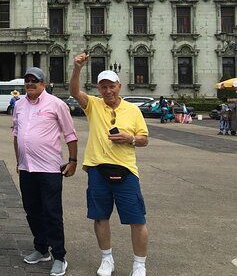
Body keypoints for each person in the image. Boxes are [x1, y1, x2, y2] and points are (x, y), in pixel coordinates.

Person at [70, 53, 149, 276]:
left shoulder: (133, 110)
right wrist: (77, 68)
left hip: (126, 169)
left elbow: (144, 139)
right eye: (103, 87)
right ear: (98, 89)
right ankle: (107, 259)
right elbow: (75, 92)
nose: (108, 91)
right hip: (97, 168)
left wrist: (129, 138)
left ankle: (139, 263)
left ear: (119, 86)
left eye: (111, 86)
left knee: (137, 219)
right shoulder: (93, 105)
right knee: (100, 216)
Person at [13, 67, 78, 276]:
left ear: (43, 83)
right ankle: (41, 249)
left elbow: (70, 134)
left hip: (49, 168)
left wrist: (73, 160)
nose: (30, 83)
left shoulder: (56, 104)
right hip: (26, 167)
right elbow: (16, 134)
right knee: (31, 210)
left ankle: (59, 255)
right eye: (27, 80)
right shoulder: (19, 104)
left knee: (52, 212)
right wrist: (18, 160)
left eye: (35, 80)